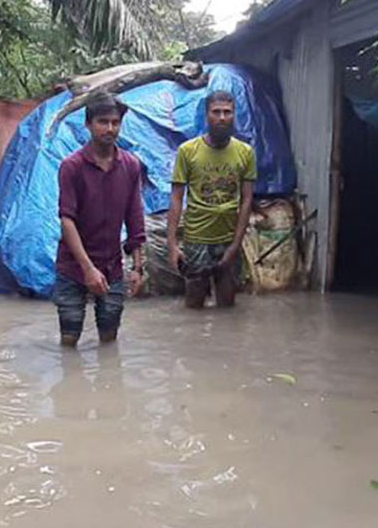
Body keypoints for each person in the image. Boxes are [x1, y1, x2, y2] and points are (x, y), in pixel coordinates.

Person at [55, 93, 146, 347]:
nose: (110, 129)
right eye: (103, 122)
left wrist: (138, 267)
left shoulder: (130, 165)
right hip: (73, 266)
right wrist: (87, 269)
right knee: (69, 340)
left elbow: (135, 217)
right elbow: (66, 219)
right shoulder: (71, 167)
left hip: (112, 267)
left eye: (115, 123)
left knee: (109, 341)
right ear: (88, 124)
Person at [167, 90, 256, 309]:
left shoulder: (246, 153)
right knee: (194, 302)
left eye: (228, 112)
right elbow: (177, 199)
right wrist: (172, 245)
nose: (222, 118)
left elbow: (246, 201)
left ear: (234, 115)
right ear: (207, 115)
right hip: (196, 237)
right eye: (216, 112)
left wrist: (235, 245)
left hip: (228, 237)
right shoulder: (187, 151)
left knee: (227, 302)